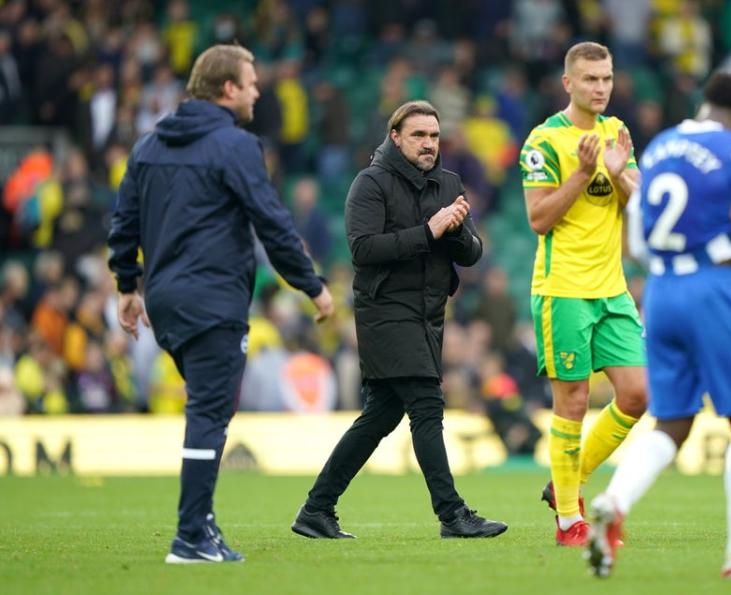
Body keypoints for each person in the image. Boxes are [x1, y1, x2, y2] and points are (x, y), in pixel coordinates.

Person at [107, 44, 334, 564]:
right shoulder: (235, 146)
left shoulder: (147, 145)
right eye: (251, 81)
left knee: (208, 409)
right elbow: (272, 222)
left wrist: (127, 285)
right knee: (208, 413)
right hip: (212, 299)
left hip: (165, 300)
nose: (258, 90)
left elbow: (124, 222)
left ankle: (200, 526)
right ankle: (190, 537)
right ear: (228, 89)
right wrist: (311, 285)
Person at [585, 72, 731, 580]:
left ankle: (614, 502)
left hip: (661, 294)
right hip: (712, 287)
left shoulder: (660, 148)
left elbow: (635, 243)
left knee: (673, 421)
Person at [292, 100, 507, 540]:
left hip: (428, 315)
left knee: (381, 415)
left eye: (433, 136)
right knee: (427, 405)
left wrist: (459, 232)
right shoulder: (369, 183)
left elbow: (471, 253)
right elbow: (364, 250)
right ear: (396, 137)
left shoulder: (447, 183)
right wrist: (430, 230)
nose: (429, 144)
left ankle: (316, 509)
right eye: (418, 136)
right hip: (385, 310)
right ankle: (452, 514)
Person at [518, 41, 648, 546]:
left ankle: (567, 483)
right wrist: (581, 173)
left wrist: (617, 173)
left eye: (607, 79)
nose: (600, 88)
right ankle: (569, 519)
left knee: (638, 394)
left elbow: (639, 201)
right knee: (572, 400)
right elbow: (538, 219)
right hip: (563, 289)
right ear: (568, 83)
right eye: (590, 79)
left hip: (612, 288)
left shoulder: (617, 132)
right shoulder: (543, 140)